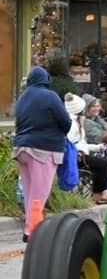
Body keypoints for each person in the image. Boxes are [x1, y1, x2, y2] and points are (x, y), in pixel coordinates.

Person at [12, 67, 71, 241]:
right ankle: (33, 231)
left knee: (30, 192)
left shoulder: (22, 98)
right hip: (43, 149)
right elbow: (65, 122)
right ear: (46, 80)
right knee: (40, 193)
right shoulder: (50, 96)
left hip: (21, 148)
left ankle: (30, 228)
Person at [78, 94, 107, 203]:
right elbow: (104, 137)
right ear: (86, 108)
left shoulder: (99, 120)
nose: (96, 109)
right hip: (90, 151)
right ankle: (102, 193)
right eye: (93, 106)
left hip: (100, 149)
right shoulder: (86, 122)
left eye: (98, 106)